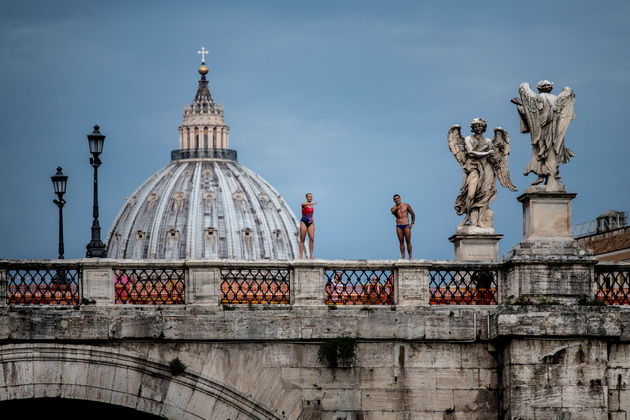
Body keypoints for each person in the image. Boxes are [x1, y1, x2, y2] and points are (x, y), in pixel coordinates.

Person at [448, 118, 516, 230]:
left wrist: (496, 158)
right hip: (473, 168)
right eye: (476, 126)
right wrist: (488, 153)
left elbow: (495, 158)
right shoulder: (468, 139)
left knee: (485, 194)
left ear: (483, 127)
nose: (478, 128)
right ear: (472, 128)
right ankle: (468, 218)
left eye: (480, 126)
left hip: (487, 168)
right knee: (471, 194)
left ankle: (479, 221)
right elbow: (470, 152)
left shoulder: (489, 141)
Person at [510, 80, 575, 189]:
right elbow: (569, 115)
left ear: (539, 88)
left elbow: (531, 115)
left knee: (540, 152)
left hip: (543, 131)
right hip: (556, 132)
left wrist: (520, 105)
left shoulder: (538, 98)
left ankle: (546, 176)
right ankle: (551, 176)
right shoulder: (558, 99)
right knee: (553, 151)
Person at [391, 194, 415, 259]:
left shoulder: (406, 205)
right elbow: (393, 212)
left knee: (408, 241)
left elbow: (412, 213)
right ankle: (403, 257)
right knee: (401, 241)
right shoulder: (393, 208)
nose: (397, 200)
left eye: (398, 198)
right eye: (395, 199)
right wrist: (397, 208)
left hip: (406, 225)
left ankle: (410, 256)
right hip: (399, 226)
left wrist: (412, 223)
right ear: (394, 200)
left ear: (400, 198)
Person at [299, 193, 317, 259]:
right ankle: (300, 255)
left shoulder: (312, 207)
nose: (310, 198)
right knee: (302, 239)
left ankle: (311, 255)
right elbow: (302, 204)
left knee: (312, 239)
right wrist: (312, 203)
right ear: (306, 198)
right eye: (309, 197)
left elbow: (312, 216)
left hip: (310, 222)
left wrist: (314, 225)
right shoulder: (304, 205)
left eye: (311, 197)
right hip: (303, 221)